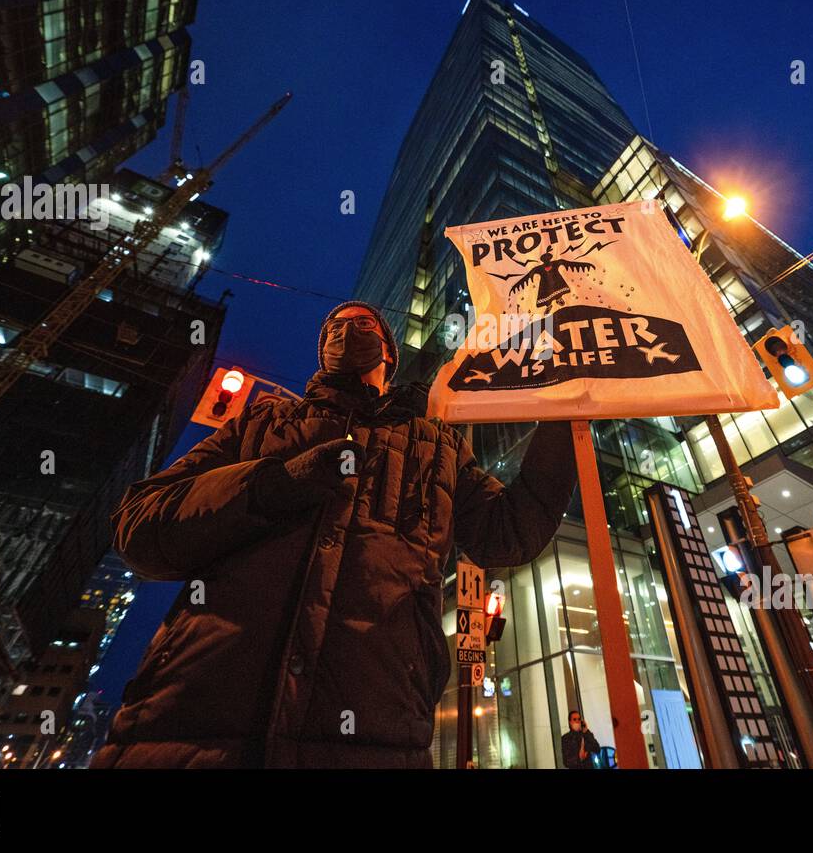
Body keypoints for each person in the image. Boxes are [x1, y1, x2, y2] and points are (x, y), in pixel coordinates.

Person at [91, 301, 578, 768]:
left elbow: (511, 532)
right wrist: (270, 485)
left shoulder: (439, 446)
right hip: (189, 725)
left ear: (389, 353)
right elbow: (139, 522)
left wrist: (566, 415)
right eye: (334, 328)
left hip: (378, 736)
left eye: (361, 325)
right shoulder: (262, 423)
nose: (345, 332)